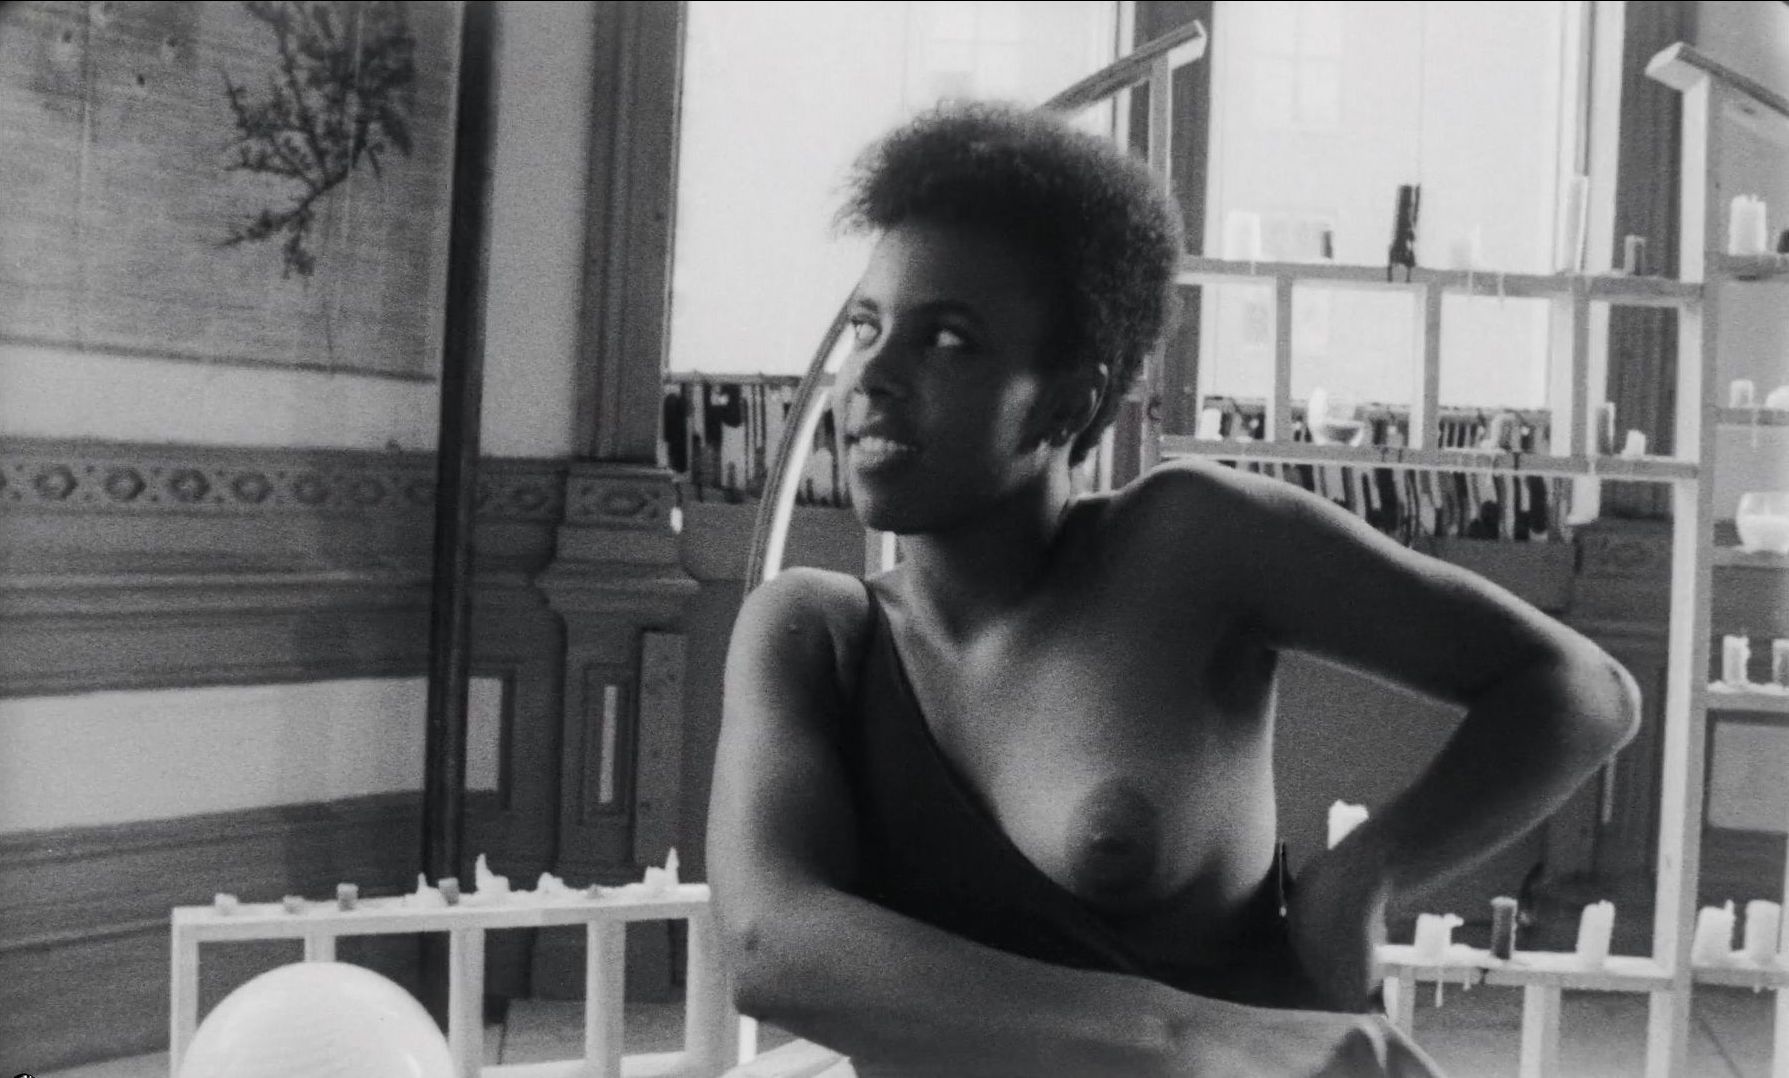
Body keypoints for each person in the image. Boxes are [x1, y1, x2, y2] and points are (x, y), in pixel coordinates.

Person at [706, 103, 1639, 1077]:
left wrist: (1363, 874)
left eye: (946, 338)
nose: (872, 375)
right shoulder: (812, 631)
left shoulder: (1188, 539)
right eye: (866, 326)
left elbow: (1580, 688)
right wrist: (1199, 1037)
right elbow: (773, 949)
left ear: (1067, 401)